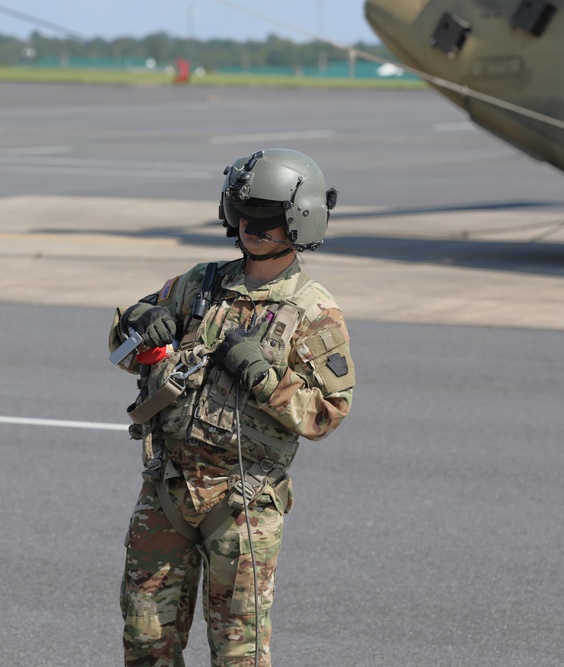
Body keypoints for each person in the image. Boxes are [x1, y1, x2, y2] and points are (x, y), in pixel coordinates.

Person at [108, 148, 355, 667]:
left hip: (243, 504)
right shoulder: (199, 284)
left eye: (267, 219)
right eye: (243, 215)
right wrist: (142, 318)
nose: (252, 228)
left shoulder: (312, 310)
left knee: (239, 654)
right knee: (146, 643)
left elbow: (326, 413)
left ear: (298, 219)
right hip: (168, 489)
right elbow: (123, 348)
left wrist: (260, 375)